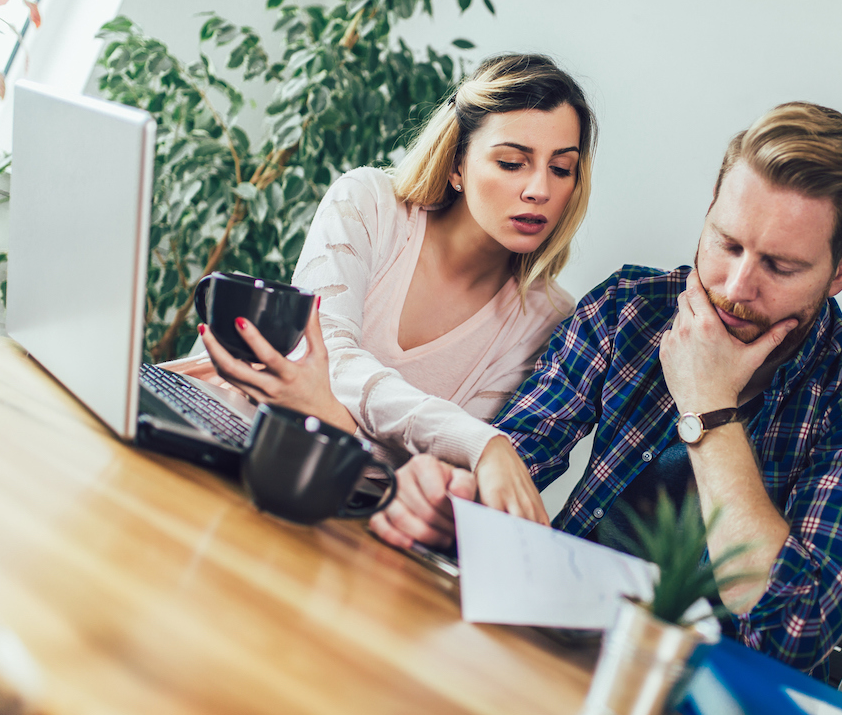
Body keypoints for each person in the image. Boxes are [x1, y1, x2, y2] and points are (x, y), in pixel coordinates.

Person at [370, 101, 842, 676]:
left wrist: (709, 408)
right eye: (727, 243)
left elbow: (792, 628)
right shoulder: (630, 309)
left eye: (780, 268)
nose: (736, 287)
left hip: (710, 706)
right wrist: (448, 500)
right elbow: (515, 461)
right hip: (546, 650)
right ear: (709, 213)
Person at [196, 53, 598, 518]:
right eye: (512, 162)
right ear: (458, 166)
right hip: (216, 426)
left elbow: (436, 474)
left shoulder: (546, 318)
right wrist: (482, 444)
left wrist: (330, 416)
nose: (539, 190)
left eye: (561, 169)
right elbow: (328, 356)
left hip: (345, 512)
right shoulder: (367, 204)